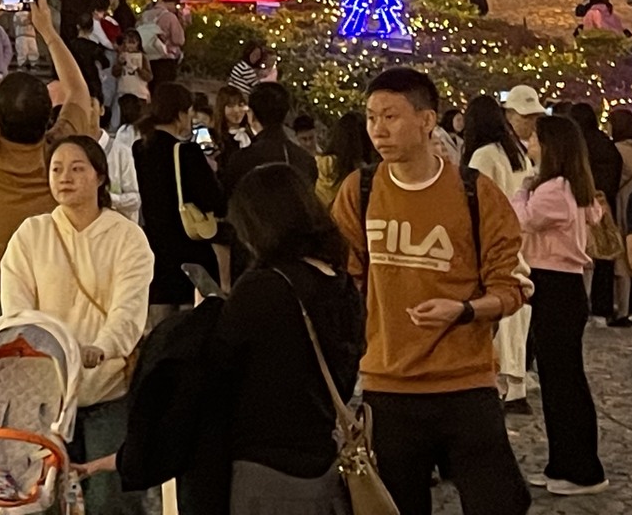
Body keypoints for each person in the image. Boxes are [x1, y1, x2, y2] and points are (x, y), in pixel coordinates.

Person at [329, 67, 530, 515]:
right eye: (371, 117)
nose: (378, 130)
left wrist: (463, 310)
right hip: (388, 386)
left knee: (498, 503)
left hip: (466, 383)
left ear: (427, 120)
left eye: (391, 117)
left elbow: (511, 287)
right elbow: (344, 280)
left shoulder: (475, 193)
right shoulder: (359, 191)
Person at [0, 134, 152, 515]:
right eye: (56, 169)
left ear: (100, 177)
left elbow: (128, 308)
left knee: (110, 499)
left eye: (77, 168)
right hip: (45, 396)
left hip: (107, 390)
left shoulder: (127, 237)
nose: (64, 177)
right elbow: (17, 309)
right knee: (43, 496)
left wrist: (101, 347)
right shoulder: (31, 234)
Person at [211, 161, 366, 515]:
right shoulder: (339, 283)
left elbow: (221, 371)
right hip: (323, 464)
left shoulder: (264, 288)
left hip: (266, 470)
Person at [0, 0, 99, 339]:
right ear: (50, 117)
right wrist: (47, 29)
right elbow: (78, 91)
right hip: (52, 294)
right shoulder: (62, 155)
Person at [511, 113, 606, 494]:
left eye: (535, 139)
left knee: (563, 384)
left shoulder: (552, 189)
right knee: (560, 383)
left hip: (556, 286)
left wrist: (522, 188)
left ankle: (582, 470)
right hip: (560, 287)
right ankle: (563, 464)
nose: (529, 143)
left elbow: (519, 218)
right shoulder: (569, 186)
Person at [459, 94, 533, 411]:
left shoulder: (483, 156)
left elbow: (474, 201)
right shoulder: (516, 153)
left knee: (497, 318)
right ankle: (517, 386)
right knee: (517, 315)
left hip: (491, 239)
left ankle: (502, 384)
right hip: (518, 238)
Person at [133, 82, 223, 322]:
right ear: (180, 113)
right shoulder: (187, 152)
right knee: (192, 327)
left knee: (160, 328)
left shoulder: (139, 149)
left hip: (154, 250)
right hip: (189, 250)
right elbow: (214, 199)